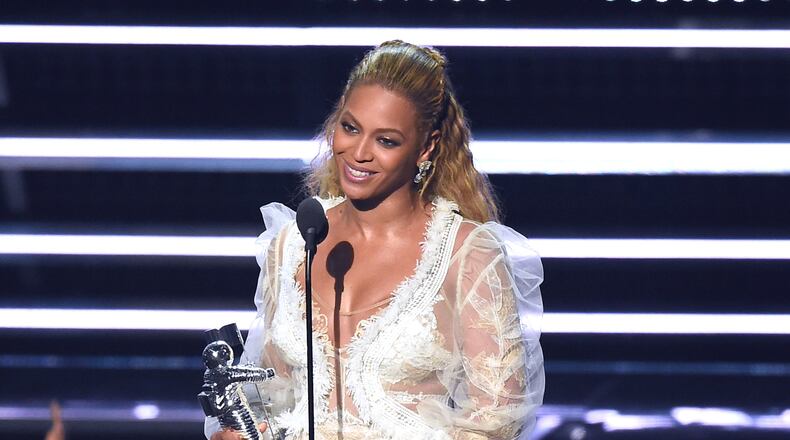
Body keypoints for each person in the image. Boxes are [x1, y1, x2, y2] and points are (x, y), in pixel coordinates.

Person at [206, 40, 544, 440]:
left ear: (427, 147)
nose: (359, 153)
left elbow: (496, 423)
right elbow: (270, 392)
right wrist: (241, 430)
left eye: (386, 141)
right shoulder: (295, 242)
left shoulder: (467, 255)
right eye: (350, 128)